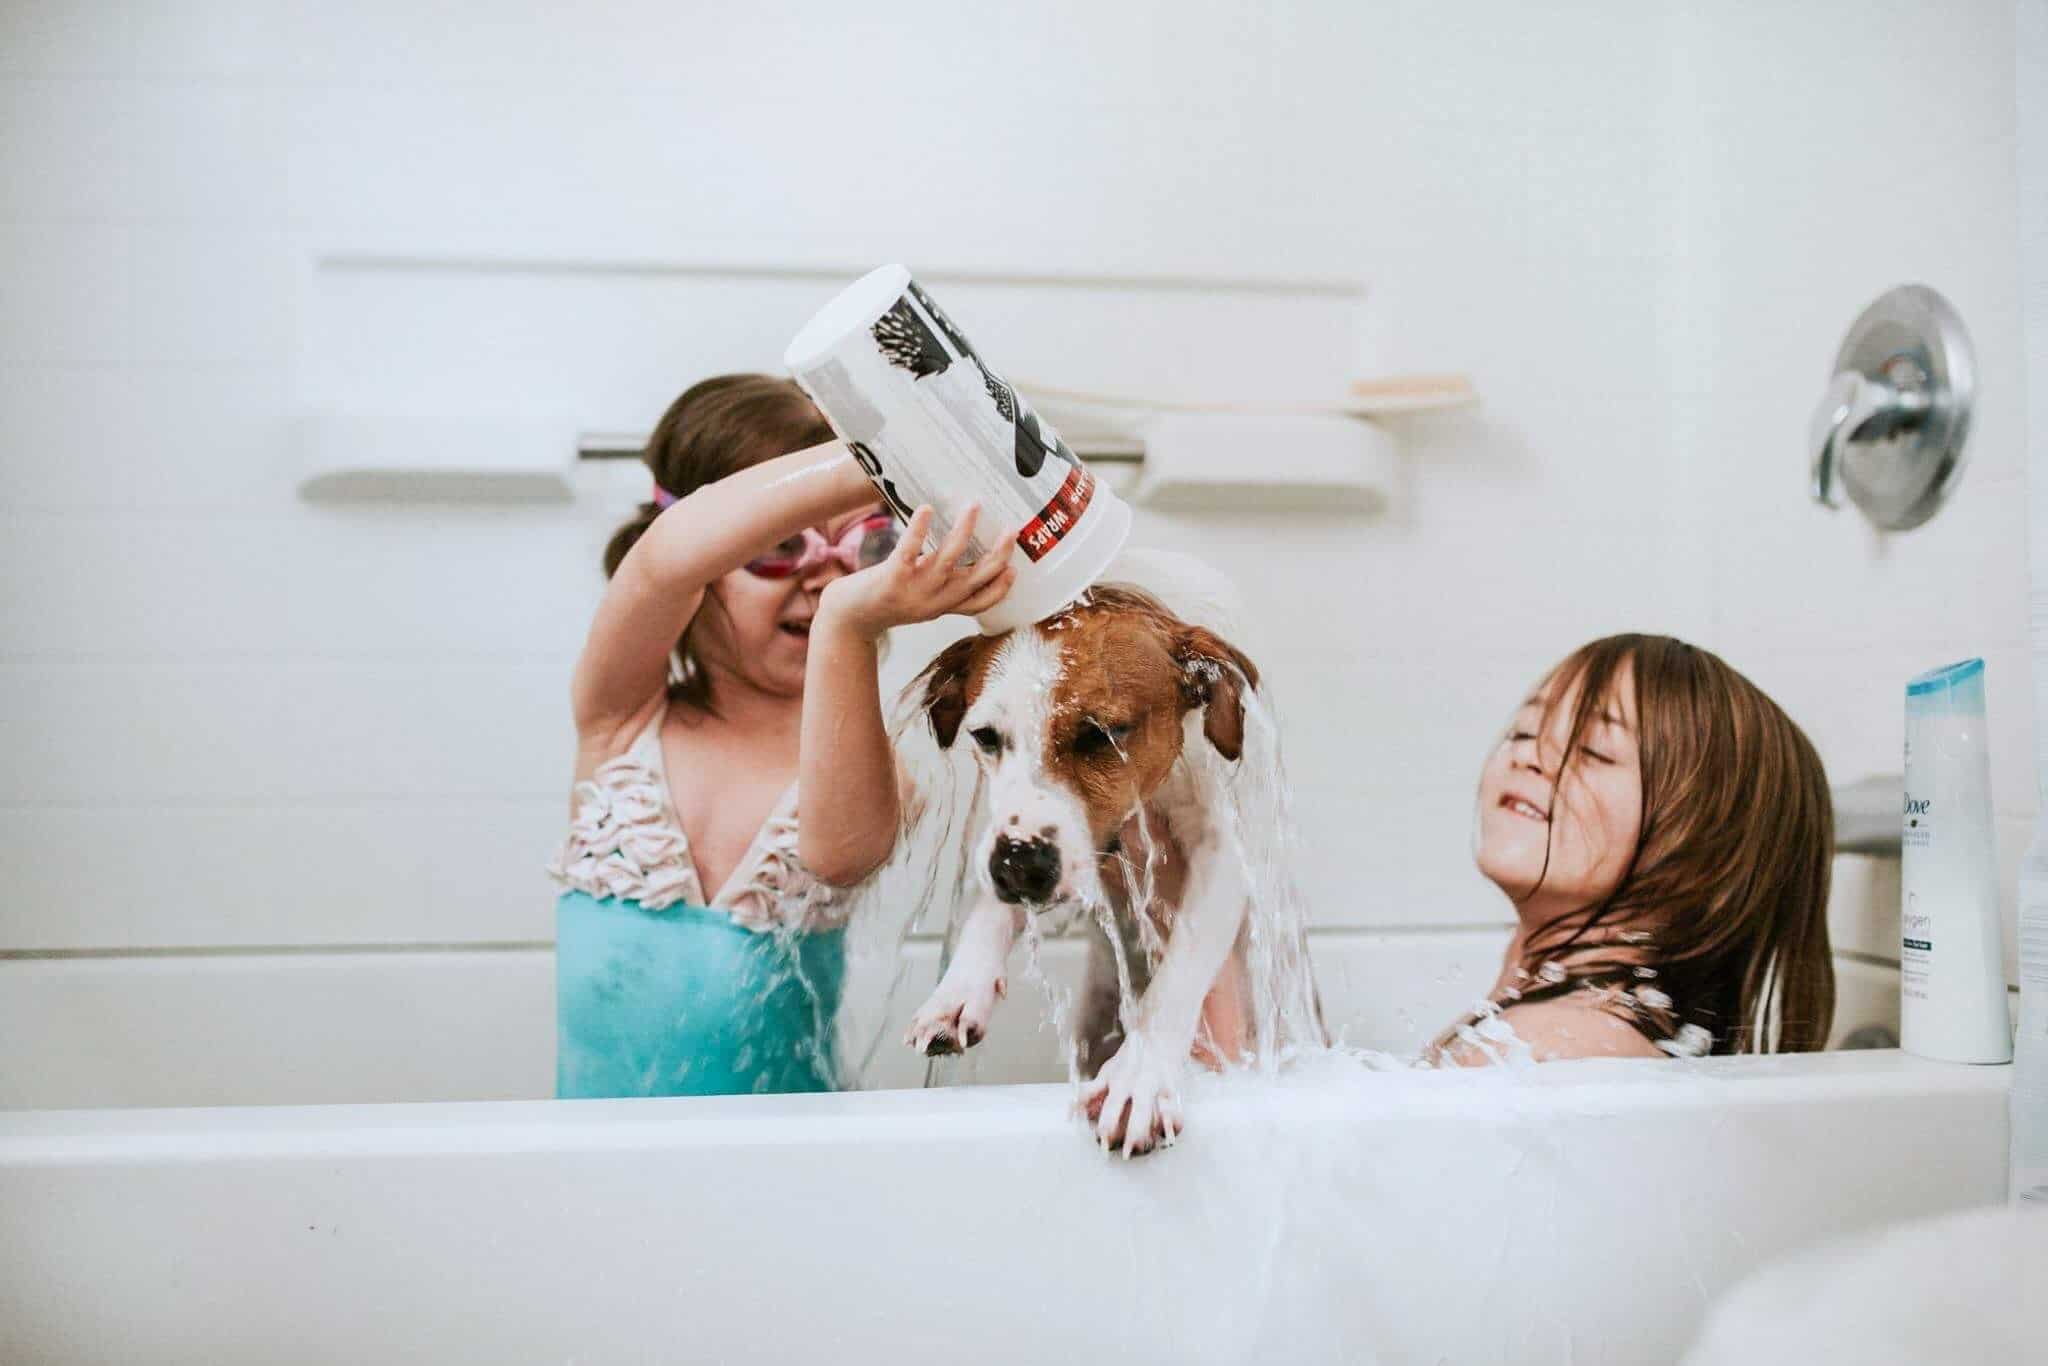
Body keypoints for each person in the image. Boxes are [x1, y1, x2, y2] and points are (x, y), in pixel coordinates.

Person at [549, 374, 1013, 1097]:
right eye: (777, 543)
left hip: (791, 1170)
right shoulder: (621, 718)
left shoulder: (878, 767)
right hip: (596, 1177)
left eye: (864, 543)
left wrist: (849, 623)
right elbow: (663, 560)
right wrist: (886, 451)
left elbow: (840, 856)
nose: (822, 574)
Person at [1433, 634, 1835, 1064]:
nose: (1529, 755)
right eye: (1525, 731)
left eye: (1592, 751)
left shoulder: (1556, 1047)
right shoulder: (1561, 1026)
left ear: (1703, 854)